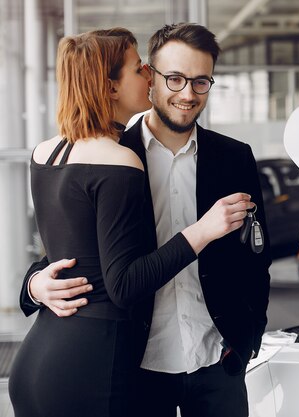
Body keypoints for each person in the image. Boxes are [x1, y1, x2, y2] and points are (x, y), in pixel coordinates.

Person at [19, 23, 272, 417]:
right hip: (136, 369)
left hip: (217, 363)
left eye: (201, 81)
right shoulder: (112, 155)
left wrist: (247, 339)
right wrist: (34, 285)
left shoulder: (234, 157)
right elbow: (68, 247)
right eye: (175, 79)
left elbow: (257, 259)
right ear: (150, 76)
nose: (188, 94)